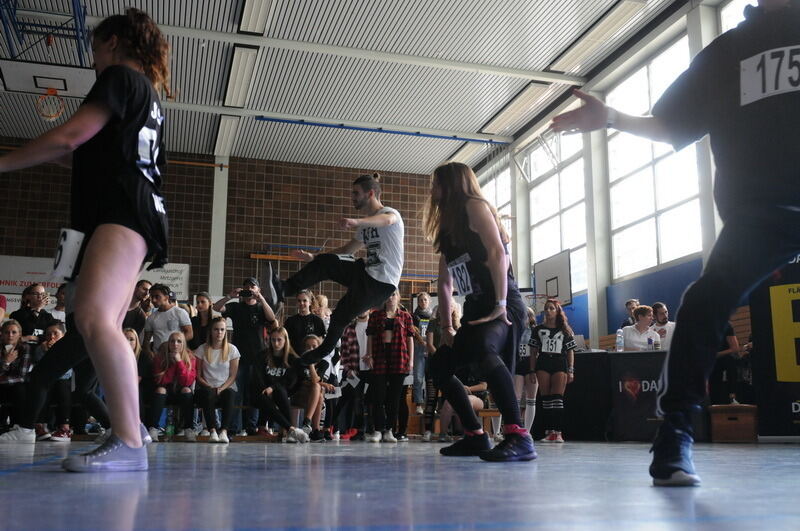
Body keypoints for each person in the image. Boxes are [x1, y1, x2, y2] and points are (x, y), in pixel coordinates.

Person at [551, 0, 800, 485]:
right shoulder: (729, 51)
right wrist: (613, 117)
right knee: (705, 301)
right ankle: (675, 433)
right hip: (760, 214)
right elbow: (671, 124)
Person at [0, 8, 169, 471]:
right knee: (103, 326)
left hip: (123, 211)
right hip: (138, 211)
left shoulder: (119, 77)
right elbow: (86, 153)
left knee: (93, 318)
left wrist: (4, 163)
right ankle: (131, 436)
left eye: (95, 49)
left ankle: (131, 443)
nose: (93, 60)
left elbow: (69, 138)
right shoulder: (148, 95)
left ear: (113, 43)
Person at [424, 162, 535, 461]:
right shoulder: (448, 229)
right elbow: (445, 284)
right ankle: (474, 436)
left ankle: (518, 436)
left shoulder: (475, 206)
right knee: (440, 367)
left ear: (452, 184)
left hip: (502, 302)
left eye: (436, 183)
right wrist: (447, 327)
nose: (431, 190)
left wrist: (500, 305)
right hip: (475, 307)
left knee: (487, 352)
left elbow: (498, 252)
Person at [274, 173, 404, 366]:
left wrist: (356, 221)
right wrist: (316, 258)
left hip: (381, 284)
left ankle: (323, 351)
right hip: (366, 273)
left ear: (370, 194)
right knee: (329, 261)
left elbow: (386, 221)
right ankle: (284, 289)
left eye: (356, 193)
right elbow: (346, 250)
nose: (352, 197)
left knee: (340, 316)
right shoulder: (365, 227)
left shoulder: (390, 213)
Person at [213, 277, 277, 436]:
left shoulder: (261, 308)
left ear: (258, 289)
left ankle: (251, 426)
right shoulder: (236, 307)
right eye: (246, 287)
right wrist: (230, 296)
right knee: (237, 392)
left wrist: (260, 297)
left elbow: (272, 318)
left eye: (252, 287)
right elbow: (216, 308)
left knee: (256, 392)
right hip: (238, 357)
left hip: (258, 357)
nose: (249, 289)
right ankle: (234, 427)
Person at [363, 291, 414, 443]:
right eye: (387, 295)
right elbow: (370, 337)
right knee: (378, 396)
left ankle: (389, 430)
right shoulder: (376, 315)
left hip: (399, 358)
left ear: (398, 297)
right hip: (379, 357)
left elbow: (410, 339)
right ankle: (378, 430)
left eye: (393, 295)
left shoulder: (406, 316)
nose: (390, 298)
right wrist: (369, 355)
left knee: (395, 397)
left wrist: (411, 361)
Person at [250, 327, 310, 443]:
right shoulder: (262, 356)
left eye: (279, 340)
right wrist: (267, 390)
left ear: (285, 340)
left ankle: (289, 431)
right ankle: (291, 429)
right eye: (273, 340)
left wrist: (272, 388)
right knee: (266, 397)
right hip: (261, 394)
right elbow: (258, 377)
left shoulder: (293, 359)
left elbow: (289, 381)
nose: (276, 343)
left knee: (280, 391)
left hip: (282, 393)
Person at [530, 299, 576, 444]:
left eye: (551, 308)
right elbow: (533, 352)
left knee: (557, 399)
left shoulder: (565, 330)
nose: (548, 311)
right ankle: (549, 431)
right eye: (546, 309)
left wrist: (571, 370)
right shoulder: (537, 330)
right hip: (543, 363)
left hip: (559, 363)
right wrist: (532, 370)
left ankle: (558, 432)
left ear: (557, 311)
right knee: (546, 400)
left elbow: (570, 351)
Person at [194, 317, 240, 444]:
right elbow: (198, 375)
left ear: (225, 331)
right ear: (211, 331)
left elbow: (233, 376)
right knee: (208, 393)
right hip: (207, 388)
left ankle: (224, 431)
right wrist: (209, 387)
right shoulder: (201, 349)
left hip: (225, 388)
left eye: (222, 330)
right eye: (216, 329)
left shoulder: (232, 350)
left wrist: (221, 388)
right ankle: (213, 431)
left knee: (230, 394)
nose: (219, 332)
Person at [422, 303, 462, 442]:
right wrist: (441, 357)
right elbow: (430, 344)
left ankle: (447, 431)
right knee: (431, 398)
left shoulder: (457, 325)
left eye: (450, 307)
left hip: (450, 368)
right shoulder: (433, 323)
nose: (447, 309)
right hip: (435, 365)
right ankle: (427, 431)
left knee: (448, 399)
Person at [148, 331, 196, 442]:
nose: (175, 344)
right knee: (160, 389)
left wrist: (179, 361)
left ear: (183, 344)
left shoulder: (191, 358)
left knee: (187, 390)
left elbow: (186, 382)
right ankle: (153, 428)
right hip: (165, 393)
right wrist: (174, 365)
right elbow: (161, 381)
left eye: (179, 341)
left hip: (181, 392)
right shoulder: (159, 358)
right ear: (168, 343)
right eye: (172, 341)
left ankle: (188, 428)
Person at [31, 322, 73, 442]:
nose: (52, 337)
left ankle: (65, 428)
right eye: (48, 334)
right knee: (42, 386)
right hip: (46, 382)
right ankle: (40, 426)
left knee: (62, 385)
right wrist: (45, 352)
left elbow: (67, 372)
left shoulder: (69, 348)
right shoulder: (40, 349)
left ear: (63, 335)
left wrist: (56, 352)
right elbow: (38, 367)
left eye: (55, 333)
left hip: (62, 382)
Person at [143, 284, 193, 356]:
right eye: (152, 297)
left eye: (157, 296)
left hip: (177, 355)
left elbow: (190, 334)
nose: (153, 300)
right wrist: (149, 354)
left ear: (166, 297)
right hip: (158, 356)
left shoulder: (179, 312)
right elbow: (146, 341)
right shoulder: (151, 318)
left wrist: (172, 344)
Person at [0, 320, 32, 429]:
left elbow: (22, 376)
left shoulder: (25, 348)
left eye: (14, 332)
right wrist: (6, 362)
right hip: (3, 384)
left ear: (19, 334)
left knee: (20, 389)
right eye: (6, 332)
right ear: (2, 333)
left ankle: (18, 425)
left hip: (16, 384)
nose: (10, 335)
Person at [284, 290, 327, 355]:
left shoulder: (317, 321)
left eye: (304, 300)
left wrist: (313, 358)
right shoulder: (290, 321)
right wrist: (295, 357)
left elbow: (320, 342)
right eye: (299, 301)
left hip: (312, 357)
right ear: (296, 303)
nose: (301, 303)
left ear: (310, 302)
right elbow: (287, 342)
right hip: (294, 357)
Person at [708, 322, 740, 405]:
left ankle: (732, 396)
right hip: (713, 361)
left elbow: (735, 348)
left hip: (725, 357)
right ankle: (714, 402)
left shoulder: (726, 325)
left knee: (730, 361)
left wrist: (717, 354)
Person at [411, 292, 433, 415]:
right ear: (418, 302)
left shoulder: (433, 316)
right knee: (418, 378)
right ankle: (419, 404)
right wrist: (420, 340)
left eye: (425, 300)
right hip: (419, 349)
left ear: (429, 301)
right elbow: (412, 332)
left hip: (430, 349)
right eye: (421, 300)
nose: (423, 302)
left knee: (430, 379)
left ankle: (430, 405)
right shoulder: (414, 317)